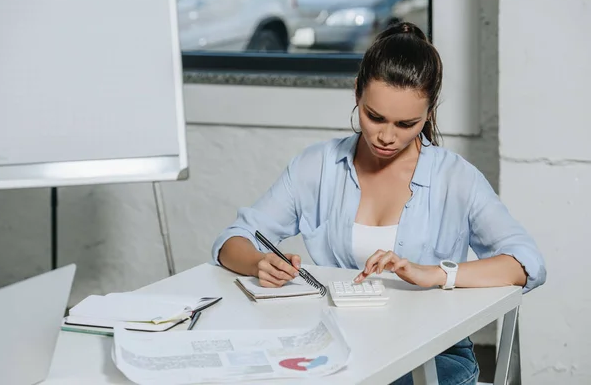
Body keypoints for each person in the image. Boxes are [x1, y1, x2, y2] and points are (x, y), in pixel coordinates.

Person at [211, 21, 546, 385]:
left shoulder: (454, 178)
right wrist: (261, 261)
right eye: (375, 117)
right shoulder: (317, 166)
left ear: (430, 112)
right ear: (357, 92)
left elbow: (525, 262)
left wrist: (434, 274)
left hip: (433, 353)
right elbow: (232, 240)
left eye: (406, 123)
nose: (387, 137)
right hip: (339, 345)